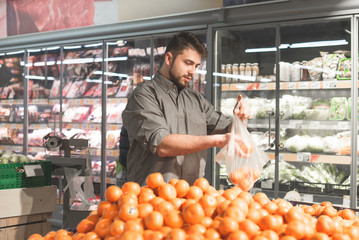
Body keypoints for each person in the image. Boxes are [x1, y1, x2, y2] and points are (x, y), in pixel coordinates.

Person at [122, 31, 250, 186]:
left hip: (192, 200)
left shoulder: (196, 100)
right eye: (188, 63)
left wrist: (240, 119)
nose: (193, 71)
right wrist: (217, 140)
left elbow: (228, 130)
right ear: (169, 58)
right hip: (152, 201)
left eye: (196, 66)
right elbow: (162, 144)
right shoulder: (143, 96)